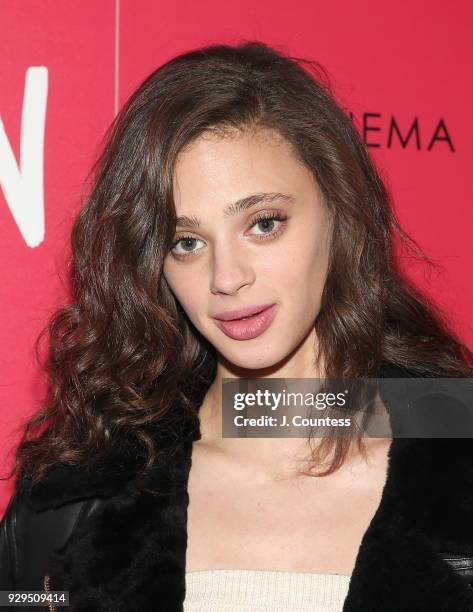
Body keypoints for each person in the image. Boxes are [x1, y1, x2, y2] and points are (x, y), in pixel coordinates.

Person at [1, 41, 473, 612]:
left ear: (341, 213)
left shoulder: (455, 449)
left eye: (264, 223)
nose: (226, 278)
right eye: (187, 242)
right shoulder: (78, 500)